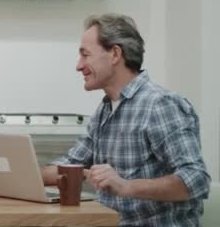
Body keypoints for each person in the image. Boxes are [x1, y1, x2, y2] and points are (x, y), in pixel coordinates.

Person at [42, 14, 210, 226]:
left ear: (114, 54)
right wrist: (28, 175)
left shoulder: (160, 105)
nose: (79, 65)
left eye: (85, 55)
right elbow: (70, 165)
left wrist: (125, 186)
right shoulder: (105, 110)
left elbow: (197, 180)